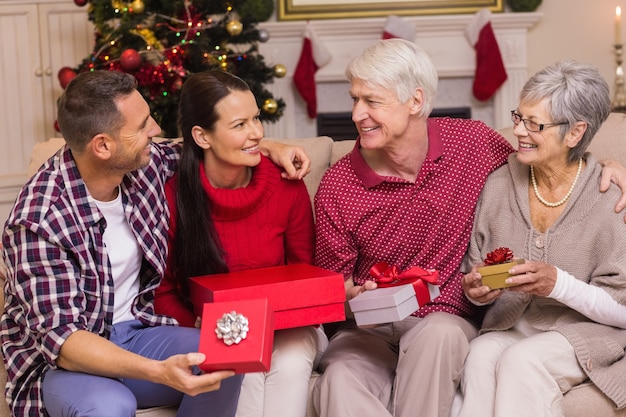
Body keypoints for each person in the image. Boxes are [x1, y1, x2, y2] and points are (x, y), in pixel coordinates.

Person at [312, 38, 626, 417]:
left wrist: (610, 165)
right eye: (354, 99)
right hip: (368, 327)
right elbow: (330, 290)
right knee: (339, 377)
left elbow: (548, 160)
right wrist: (354, 295)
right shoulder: (338, 184)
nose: (357, 114)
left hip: (441, 318)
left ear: (415, 101)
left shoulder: (471, 144)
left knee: (439, 337)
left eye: (372, 101)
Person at [0, 69, 311, 417]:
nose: (156, 131)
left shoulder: (143, 165)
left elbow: (206, 146)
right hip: (68, 363)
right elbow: (65, 342)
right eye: (143, 125)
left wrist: (268, 145)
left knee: (227, 352)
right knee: (110, 407)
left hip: (138, 332)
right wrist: (159, 371)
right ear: (103, 146)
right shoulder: (39, 219)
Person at [455, 61, 626, 417]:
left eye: (535, 124)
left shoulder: (610, 196)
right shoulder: (499, 183)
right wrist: (476, 289)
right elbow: (474, 269)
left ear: (576, 133)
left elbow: (622, 310)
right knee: (480, 356)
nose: (518, 130)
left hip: (588, 334)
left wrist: (557, 284)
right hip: (511, 326)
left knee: (522, 361)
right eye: (519, 116)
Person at [154, 70, 327, 417]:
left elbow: (304, 273)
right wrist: (201, 329)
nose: (257, 134)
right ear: (202, 136)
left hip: (292, 328)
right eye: (239, 125)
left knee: (290, 359)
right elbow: (165, 291)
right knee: (239, 362)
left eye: (257, 119)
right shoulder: (173, 197)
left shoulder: (286, 186)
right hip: (219, 331)